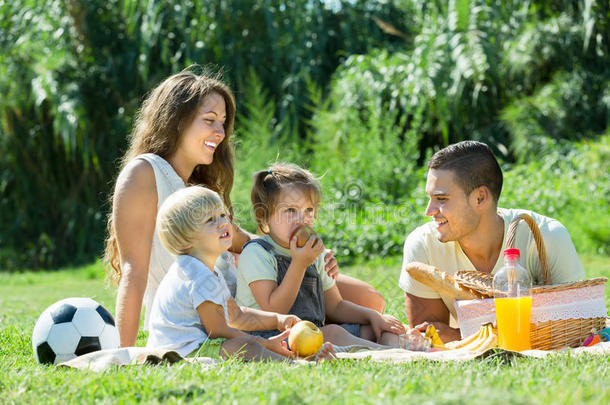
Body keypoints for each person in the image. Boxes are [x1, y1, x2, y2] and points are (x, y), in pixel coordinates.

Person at [103, 67, 384, 347]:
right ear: (177, 121)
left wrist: (305, 255)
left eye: (223, 122)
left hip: (242, 302)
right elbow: (133, 272)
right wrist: (123, 354)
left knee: (370, 300)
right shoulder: (144, 173)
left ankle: (343, 336)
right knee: (352, 313)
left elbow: (245, 240)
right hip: (213, 315)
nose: (220, 132)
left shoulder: (200, 187)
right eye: (209, 120)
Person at [398, 140, 585, 342]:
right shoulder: (423, 245)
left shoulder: (546, 236)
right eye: (430, 198)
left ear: (480, 198)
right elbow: (430, 336)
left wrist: (462, 335)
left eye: (441, 199)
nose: (429, 211)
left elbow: (579, 322)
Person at [146, 186, 335, 361]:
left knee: (249, 343)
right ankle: (294, 363)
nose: (222, 223)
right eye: (210, 220)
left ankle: (294, 358)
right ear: (185, 239)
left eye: (222, 215)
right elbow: (218, 330)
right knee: (248, 344)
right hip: (182, 351)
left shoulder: (208, 271)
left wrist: (276, 320)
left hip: (194, 346)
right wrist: (266, 343)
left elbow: (235, 315)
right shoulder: (196, 275)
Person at [236, 163, 406, 348]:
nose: (302, 219)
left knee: (378, 328)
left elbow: (336, 307)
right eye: (290, 210)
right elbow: (275, 309)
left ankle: (394, 345)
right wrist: (299, 264)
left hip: (312, 333)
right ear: (264, 216)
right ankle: (386, 353)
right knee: (333, 332)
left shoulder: (314, 252)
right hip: (268, 337)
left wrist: (372, 316)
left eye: (308, 210)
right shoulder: (257, 253)